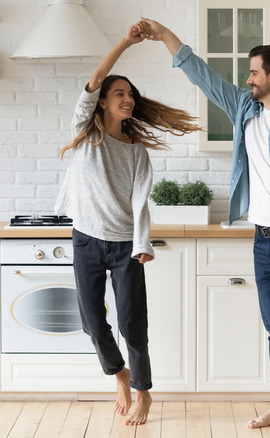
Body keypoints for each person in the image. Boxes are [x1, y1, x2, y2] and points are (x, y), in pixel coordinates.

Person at [138, 19, 270, 434]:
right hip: (262, 239)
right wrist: (163, 36)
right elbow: (201, 75)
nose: (248, 79)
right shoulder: (245, 109)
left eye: (253, 72)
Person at [54, 23, 202, 426]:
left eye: (131, 94)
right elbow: (97, 77)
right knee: (90, 319)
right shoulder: (85, 133)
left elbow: (140, 203)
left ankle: (143, 392)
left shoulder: (137, 152)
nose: (128, 98)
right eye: (120, 93)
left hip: (123, 245)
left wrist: (142, 243)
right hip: (86, 237)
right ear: (101, 103)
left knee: (132, 322)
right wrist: (127, 42)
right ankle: (118, 373)